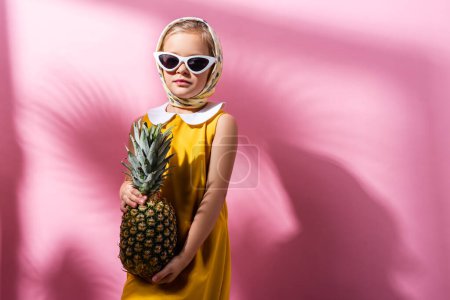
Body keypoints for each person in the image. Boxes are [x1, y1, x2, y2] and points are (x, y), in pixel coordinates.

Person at [119, 16, 238, 300]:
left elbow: (215, 195)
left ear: (214, 68)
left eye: (196, 63)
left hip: (198, 248)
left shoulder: (221, 123)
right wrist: (126, 191)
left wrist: (185, 257)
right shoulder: (144, 123)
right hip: (147, 246)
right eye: (170, 60)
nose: (181, 70)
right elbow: (130, 181)